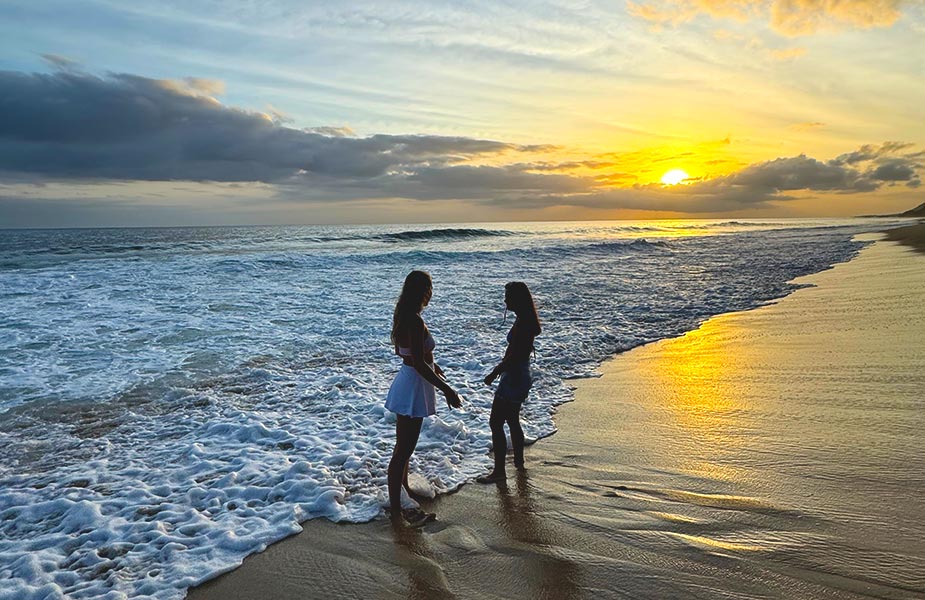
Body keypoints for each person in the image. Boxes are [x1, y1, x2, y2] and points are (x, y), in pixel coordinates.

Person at [385, 270, 462, 525]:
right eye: (430, 287)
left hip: (407, 381)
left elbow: (407, 354)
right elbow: (418, 362)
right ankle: (397, 510)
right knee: (402, 451)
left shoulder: (402, 316)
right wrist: (447, 389)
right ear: (424, 291)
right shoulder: (415, 321)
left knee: (404, 449)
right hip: (413, 386)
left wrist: (433, 364)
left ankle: (403, 497)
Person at [478, 281, 541, 483]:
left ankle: (499, 472)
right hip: (522, 375)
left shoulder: (522, 323)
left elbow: (512, 356)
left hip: (513, 377)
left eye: (508, 296)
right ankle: (519, 463)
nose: (505, 300)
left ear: (517, 299)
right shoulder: (526, 320)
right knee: (512, 420)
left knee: (495, 422)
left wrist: (494, 373)